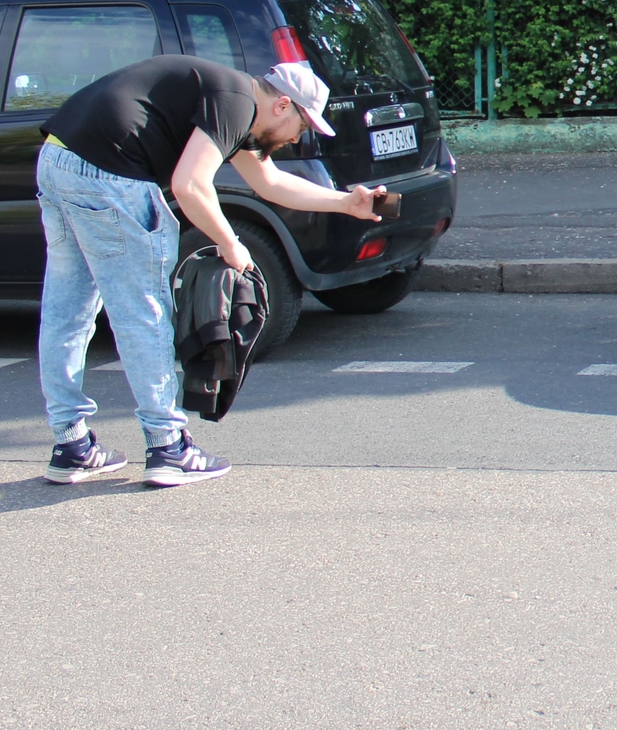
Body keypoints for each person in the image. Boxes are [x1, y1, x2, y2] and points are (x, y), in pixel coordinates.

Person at [36, 56, 381, 487]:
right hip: (110, 175)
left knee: (67, 312)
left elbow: (269, 183)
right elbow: (190, 185)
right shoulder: (235, 101)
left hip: (58, 160)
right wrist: (229, 242)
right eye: (303, 126)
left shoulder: (230, 100)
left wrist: (345, 203)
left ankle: (71, 445)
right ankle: (168, 446)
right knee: (144, 313)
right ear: (282, 106)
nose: (296, 139)